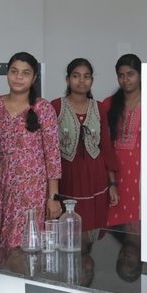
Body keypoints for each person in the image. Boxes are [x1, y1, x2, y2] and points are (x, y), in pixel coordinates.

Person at [0, 52, 61, 249]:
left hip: (32, 190)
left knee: (26, 246)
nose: (18, 77)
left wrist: (53, 197)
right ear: (7, 74)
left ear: (34, 78)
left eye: (25, 73)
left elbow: (52, 155)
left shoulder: (43, 109)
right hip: (0, 186)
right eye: (14, 71)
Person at [52, 58, 111, 235]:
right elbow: (49, 147)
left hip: (95, 173)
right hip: (67, 174)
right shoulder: (56, 106)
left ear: (92, 80)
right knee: (68, 229)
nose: (81, 81)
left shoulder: (99, 107)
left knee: (94, 225)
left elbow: (106, 146)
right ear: (67, 79)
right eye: (76, 76)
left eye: (86, 76)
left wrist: (113, 183)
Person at [101, 54, 143, 229]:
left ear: (140, 74)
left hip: (142, 171)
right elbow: (104, 142)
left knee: (140, 220)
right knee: (114, 221)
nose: (126, 80)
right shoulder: (109, 104)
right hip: (114, 170)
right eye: (121, 75)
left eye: (130, 74)